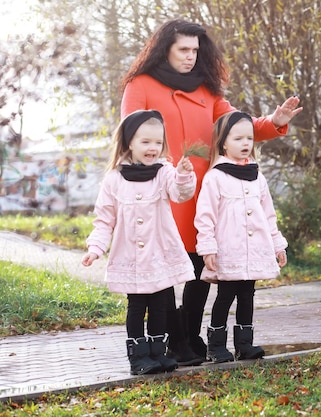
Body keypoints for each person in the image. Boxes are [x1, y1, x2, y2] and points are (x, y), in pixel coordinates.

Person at [120, 18, 301, 365]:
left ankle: (188, 337)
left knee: (201, 268)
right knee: (166, 271)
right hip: (164, 191)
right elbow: (133, 135)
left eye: (195, 51)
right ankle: (174, 342)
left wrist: (275, 121)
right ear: (165, 50)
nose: (190, 57)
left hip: (206, 192)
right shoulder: (139, 84)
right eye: (183, 50)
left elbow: (237, 127)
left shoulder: (207, 89)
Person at [81, 110, 197, 375]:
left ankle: (158, 353)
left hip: (159, 255)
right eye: (145, 142)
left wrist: (183, 175)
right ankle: (138, 358)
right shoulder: (114, 180)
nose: (152, 148)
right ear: (129, 142)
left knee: (159, 305)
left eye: (157, 142)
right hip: (130, 258)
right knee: (137, 306)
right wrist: (95, 248)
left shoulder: (165, 172)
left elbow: (181, 194)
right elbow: (104, 220)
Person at [194, 111, 288, 363]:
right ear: (224, 142)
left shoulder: (258, 176)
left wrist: (278, 245)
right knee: (225, 296)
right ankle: (216, 346)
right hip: (228, 251)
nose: (245, 144)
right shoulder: (216, 177)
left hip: (255, 250)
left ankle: (245, 344)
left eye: (249, 138)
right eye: (238, 139)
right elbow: (205, 217)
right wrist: (208, 249)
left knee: (247, 295)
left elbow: (269, 215)